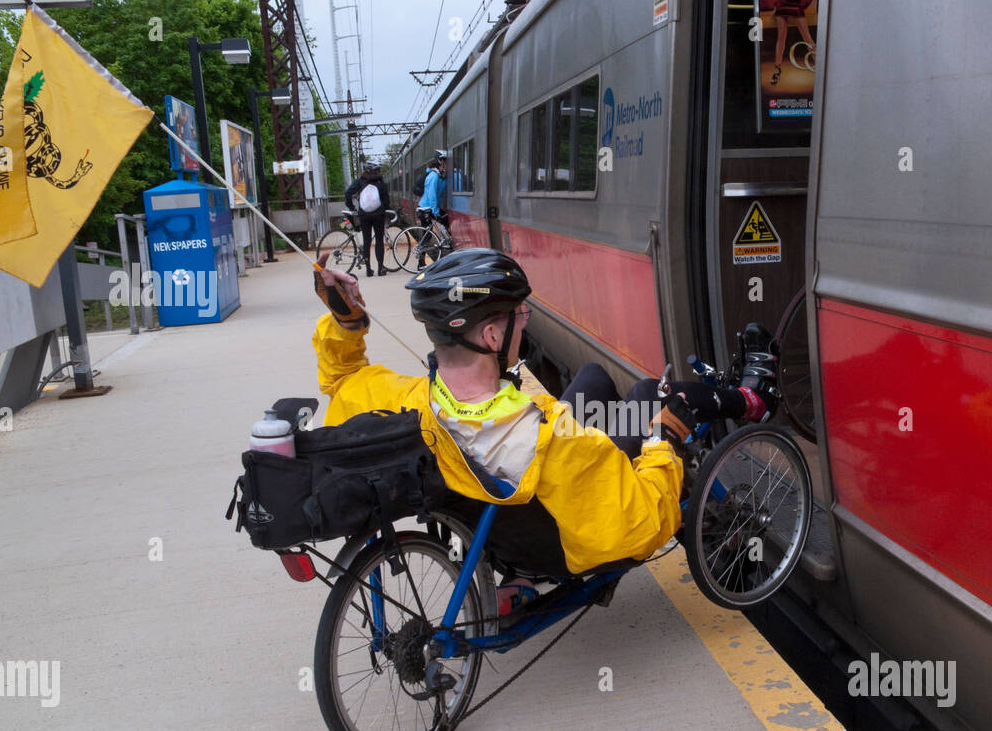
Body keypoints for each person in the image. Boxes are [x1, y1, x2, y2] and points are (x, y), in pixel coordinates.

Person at [309, 247, 780, 582]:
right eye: (519, 314)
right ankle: (754, 397)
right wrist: (664, 440)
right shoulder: (545, 440)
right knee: (652, 397)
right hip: (556, 538)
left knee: (594, 377)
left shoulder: (404, 399)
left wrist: (346, 318)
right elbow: (640, 525)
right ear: (491, 337)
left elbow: (342, 377)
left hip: (499, 522)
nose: (525, 320)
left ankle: (729, 401)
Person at [344, 161, 391, 276]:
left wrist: (352, 207)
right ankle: (380, 268)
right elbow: (386, 200)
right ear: (376, 171)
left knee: (367, 241)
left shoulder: (360, 182)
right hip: (378, 215)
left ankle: (368, 270)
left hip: (364, 215)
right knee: (379, 241)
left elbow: (347, 193)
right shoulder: (381, 183)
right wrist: (383, 210)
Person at [416, 152, 450, 243]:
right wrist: (435, 212)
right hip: (426, 208)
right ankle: (421, 253)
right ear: (440, 163)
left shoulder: (438, 176)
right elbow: (432, 195)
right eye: (445, 162)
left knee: (427, 234)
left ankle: (445, 241)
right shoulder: (433, 176)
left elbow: (443, 185)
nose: (447, 165)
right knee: (427, 235)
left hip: (429, 208)